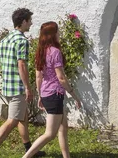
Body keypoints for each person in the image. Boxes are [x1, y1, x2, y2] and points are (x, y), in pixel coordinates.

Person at [0, 8, 45, 158]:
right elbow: (21, 64)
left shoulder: (5, 39)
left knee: (23, 118)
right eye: (29, 20)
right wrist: (27, 87)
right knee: (13, 120)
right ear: (23, 22)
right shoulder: (22, 41)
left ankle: (30, 150)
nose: (31, 23)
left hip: (7, 87)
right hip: (17, 88)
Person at [22, 21, 81, 158]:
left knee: (63, 127)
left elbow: (38, 77)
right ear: (53, 35)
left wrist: (41, 95)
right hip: (55, 94)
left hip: (48, 94)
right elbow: (61, 77)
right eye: (57, 31)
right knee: (50, 134)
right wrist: (74, 95)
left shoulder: (41, 52)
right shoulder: (55, 52)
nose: (59, 34)